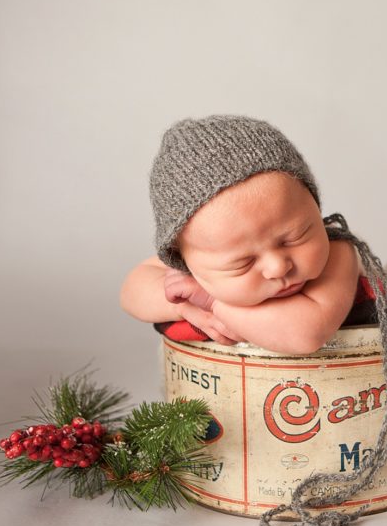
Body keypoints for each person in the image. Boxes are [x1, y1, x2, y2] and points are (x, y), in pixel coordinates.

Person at [120, 115, 361, 354]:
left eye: (295, 237)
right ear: (185, 262)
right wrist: (182, 307)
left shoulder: (338, 251)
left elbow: (306, 334)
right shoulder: (192, 270)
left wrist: (211, 301)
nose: (277, 267)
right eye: (242, 262)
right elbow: (130, 291)